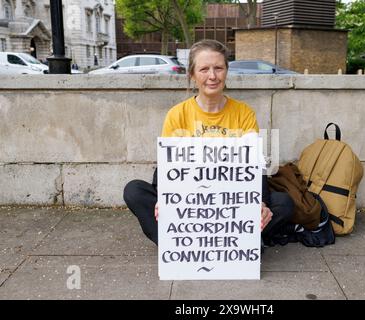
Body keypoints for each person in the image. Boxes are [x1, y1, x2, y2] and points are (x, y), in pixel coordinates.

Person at [123, 39, 294, 248]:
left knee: (283, 204)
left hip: (231, 203)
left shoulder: (243, 113)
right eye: (204, 69)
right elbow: (168, 169)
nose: (212, 76)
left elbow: (254, 169)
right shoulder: (177, 115)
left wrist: (260, 204)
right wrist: (166, 199)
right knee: (134, 191)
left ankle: (238, 244)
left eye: (218, 68)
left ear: (226, 71)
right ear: (192, 75)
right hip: (189, 204)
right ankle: (176, 246)